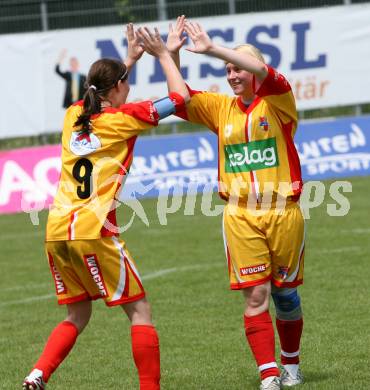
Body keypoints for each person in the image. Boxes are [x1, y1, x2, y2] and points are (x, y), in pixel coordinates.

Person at [22, 24, 189, 390]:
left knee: (78, 313)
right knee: (140, 311)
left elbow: (103, 94)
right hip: (93, 230)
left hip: (56, 232)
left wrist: (128, 61)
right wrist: (163, 55)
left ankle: (37, 374)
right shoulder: (121, 120)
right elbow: (180, 99)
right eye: (125, 83)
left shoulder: (73, 116)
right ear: (118, 89)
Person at [167, 17, 305, 390]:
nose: (232, 75)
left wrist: (212, 48)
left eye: (237, 68)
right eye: (228, 69)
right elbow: (180, 98)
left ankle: (292, 363)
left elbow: (261, 68)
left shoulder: (277, 99)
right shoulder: (220, 108)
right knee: (257, 294)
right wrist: (172, 55)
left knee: (285, 294)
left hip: (283, 212)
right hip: (240, 215)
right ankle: (269, 374)